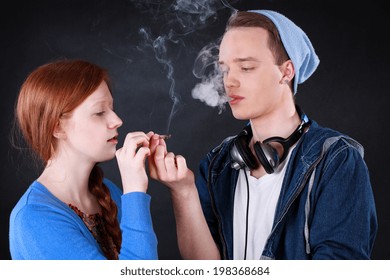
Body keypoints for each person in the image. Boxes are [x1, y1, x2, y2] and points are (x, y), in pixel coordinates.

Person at [148, 10, 378, 259]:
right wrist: (184, 191)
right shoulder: (217, 164)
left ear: (286, 71)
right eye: (224, 69)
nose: (229, 82)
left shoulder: (337, 160)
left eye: (246, 68)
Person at [9, 59, 158, 260]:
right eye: (99, 112)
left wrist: (181, 189)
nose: (117, 121)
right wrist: (134, 192)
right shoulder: (34, 219)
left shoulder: (108, 190)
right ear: (57, 128)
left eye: (112, 109)